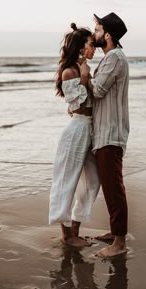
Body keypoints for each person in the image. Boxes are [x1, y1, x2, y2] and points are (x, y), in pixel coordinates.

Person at [80, 12, 129, 257]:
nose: (94, 33)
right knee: (110, 186)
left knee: (113, 186)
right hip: (104, 132)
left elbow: (98, 90)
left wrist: (85, 74)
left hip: (110, 132)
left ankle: (119, 242)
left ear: (108, 35)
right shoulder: (110, 58)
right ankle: (115, 231)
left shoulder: (115, 57)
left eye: (98, 30)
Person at [49, 23, 100, 247]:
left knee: (92, 181)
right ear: (81, 47)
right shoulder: (71, 71)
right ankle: (66, 236)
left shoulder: (85, 68)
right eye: (91, 44)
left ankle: (76, 229)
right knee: (67, 181)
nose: (95, 47)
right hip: (76, 131)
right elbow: (77, 104)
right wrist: (84, 77)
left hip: (89, 130)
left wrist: (87, 75)